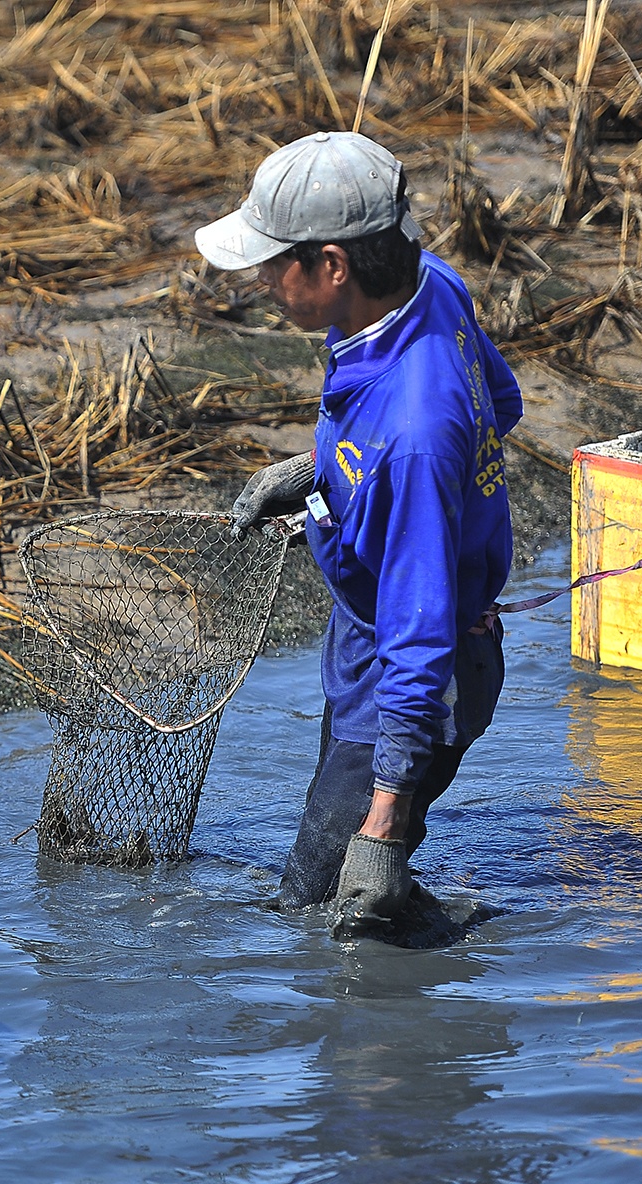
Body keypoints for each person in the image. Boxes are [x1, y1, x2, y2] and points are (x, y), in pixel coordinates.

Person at [200, 131, 519, 941]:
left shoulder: (414, 438)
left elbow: (418, 645)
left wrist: (383, 825)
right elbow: (503, 402)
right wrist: (331, 470)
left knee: (322, 911)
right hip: (366, 645)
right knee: (328, 885)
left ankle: (450, 930)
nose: (262, 282)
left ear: (333, 266)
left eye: (274, 264)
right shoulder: (430, 284)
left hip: (412, 676)